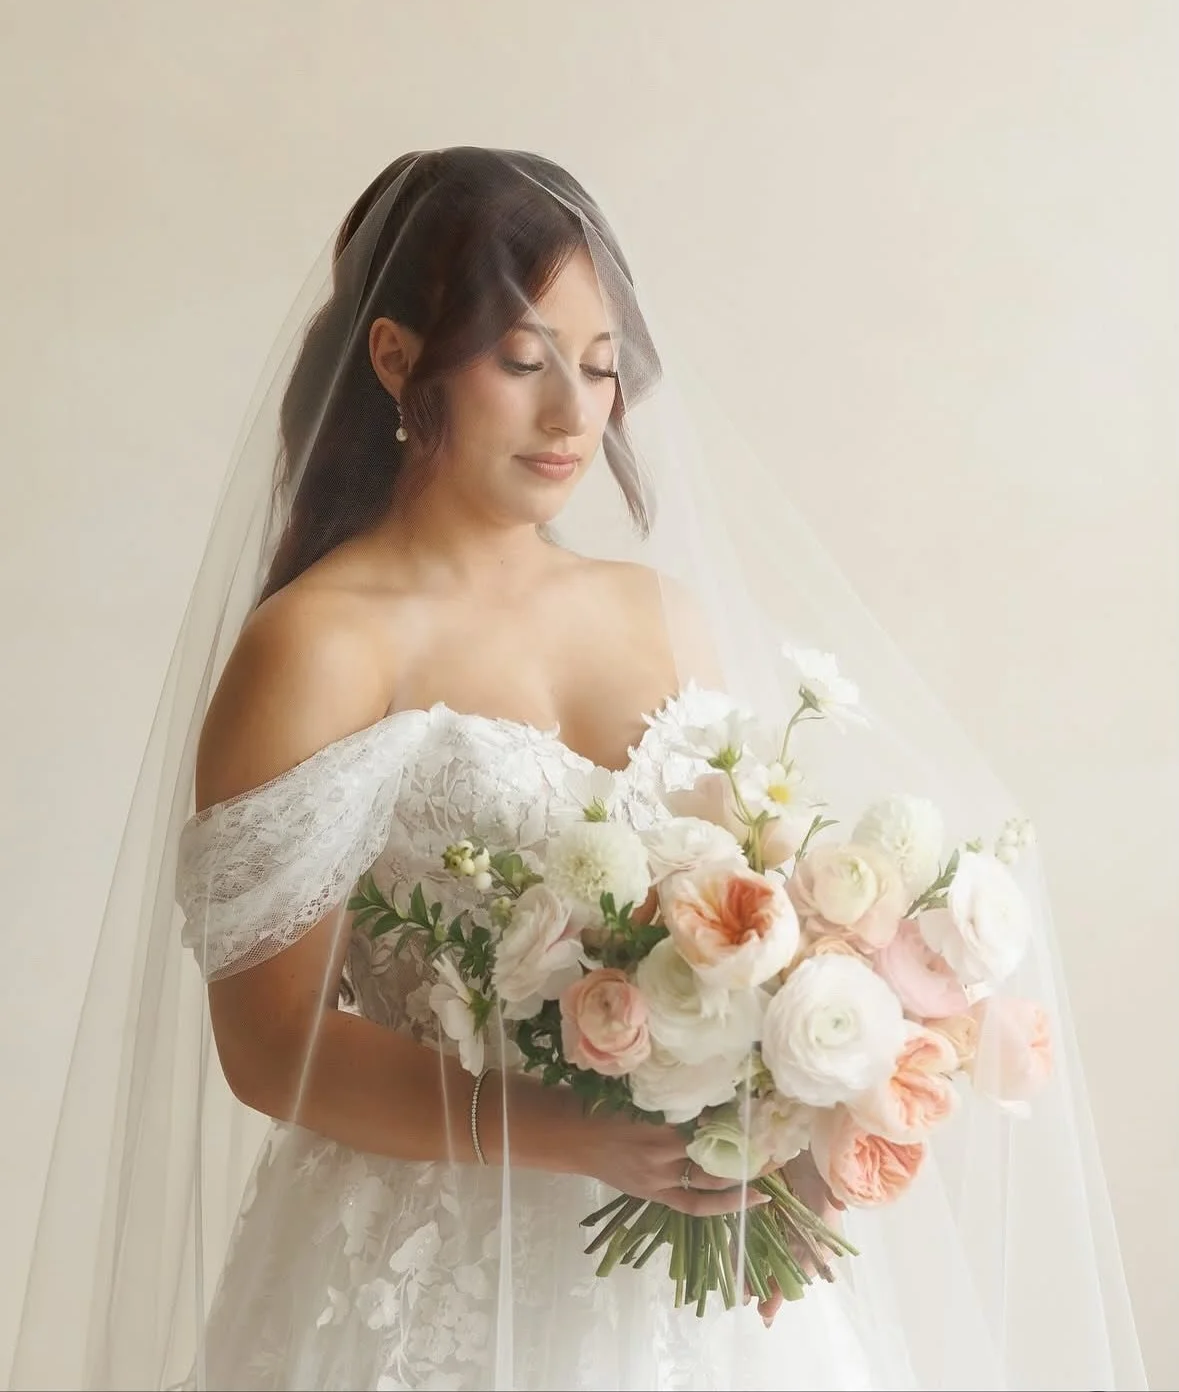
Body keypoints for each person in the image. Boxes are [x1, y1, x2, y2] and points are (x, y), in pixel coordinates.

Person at [11, 148, 1146, 1392]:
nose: (573, 415)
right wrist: (568, 1134)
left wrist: (800, 1090)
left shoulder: (658, 613)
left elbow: (759, 921)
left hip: (683, 1293)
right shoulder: (321, 645)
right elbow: (270, 1043)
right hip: (426, 1269)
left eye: (600, 367)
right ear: (397, 359)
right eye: (521, 359)